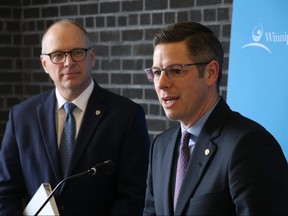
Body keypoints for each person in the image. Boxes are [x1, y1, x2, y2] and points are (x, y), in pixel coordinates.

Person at [0, 19, 150, 215]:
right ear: (44, 64)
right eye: (58, 55)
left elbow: (134, 197)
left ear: (92, 56)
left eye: (77, 52)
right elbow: (5, 192)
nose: (69, 62)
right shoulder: (21, 117)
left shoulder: (127, 115)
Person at [143, 21, 288, 216]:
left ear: (211, 73)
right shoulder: (160, 146)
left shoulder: (249, 145)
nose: (161, 83)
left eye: (175, 71)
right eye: (157, 72)